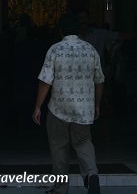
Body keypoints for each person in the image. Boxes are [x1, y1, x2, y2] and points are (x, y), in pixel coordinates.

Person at [33, 13, 104, 194]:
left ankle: (61, 187)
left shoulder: (55, 50)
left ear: (60, 30)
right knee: (83, 142)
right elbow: (99, 80)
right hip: (84, 109)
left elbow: (45, 81)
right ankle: (91, 175)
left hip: (59, 108)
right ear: (79, 29)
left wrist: (38, 106)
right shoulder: (90, 49)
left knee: (59, 146)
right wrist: (97, 104)